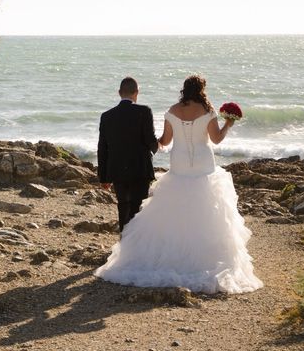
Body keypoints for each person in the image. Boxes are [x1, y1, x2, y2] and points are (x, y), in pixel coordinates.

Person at [95, 75, 263, 294]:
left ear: (184, 90)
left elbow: (164, 141)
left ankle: (153, 252)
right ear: (201, 90)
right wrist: (228, 124)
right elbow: (216, 139)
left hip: (179, 161)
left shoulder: (172, 112)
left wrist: (146, 144)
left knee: (173, 205)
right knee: (205, 205)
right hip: (203, 162)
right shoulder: (207, 111)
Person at [98, 77, 159, 233]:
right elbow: (150, 141)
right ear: (136, 93)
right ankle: (136, 245)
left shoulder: (107, 116)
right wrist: (157, 146)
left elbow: (102, 148)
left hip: (117, 170)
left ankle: (124, 242)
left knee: (123, 206)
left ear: (119, 93)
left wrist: (103, 177)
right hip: (140, 169)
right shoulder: (144, 111)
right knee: (138, 208)